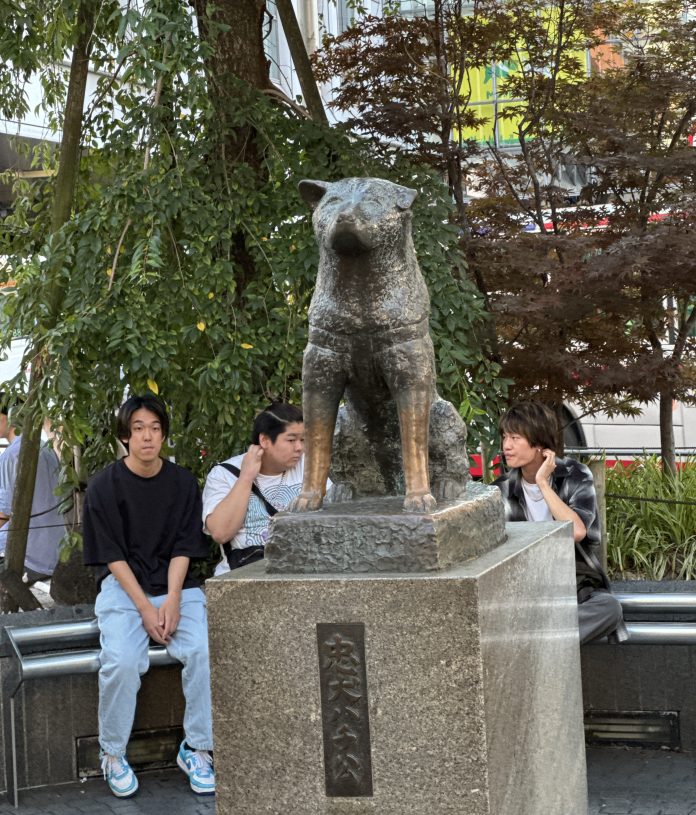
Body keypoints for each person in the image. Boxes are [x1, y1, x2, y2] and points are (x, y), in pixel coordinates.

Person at [82, 395, 214, 799]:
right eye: (138, 428)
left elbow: (183, 547)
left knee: (204, 650)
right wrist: (144, 607)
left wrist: (172, 599)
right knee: (121, 660)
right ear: (125, 435)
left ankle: (196, 748)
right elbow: (111, 556)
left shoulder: (182, 482)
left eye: (155, 428)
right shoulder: (103, 487)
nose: (147, 436)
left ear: (164, 434)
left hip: (177, 587)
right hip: (124, 590)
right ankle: (113, 753)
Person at [494, 401, 626, 645]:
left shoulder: (575, 475)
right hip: (526, 586)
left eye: (515, 437)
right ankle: (547, 641)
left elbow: (576, 531)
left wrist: (543, 484)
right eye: (504, 437)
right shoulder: (501, 490)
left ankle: (535, 643)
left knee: (608, 608)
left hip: (573, 584)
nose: (506, 446)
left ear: (538, 443)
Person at [203, 403, 306, 574]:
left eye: (302, 440)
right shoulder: (224, 474)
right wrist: (246, 477)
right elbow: (220, 533)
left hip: (301, 568)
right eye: (291, 440)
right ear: (264, 440)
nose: (299, 448)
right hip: (244, 573)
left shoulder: (309, 469)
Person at [0, 398, 63, 584]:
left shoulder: (10, 456)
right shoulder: (45, 448)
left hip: (29, 554)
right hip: (55, 549)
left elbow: (4, 515)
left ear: (9, 417)